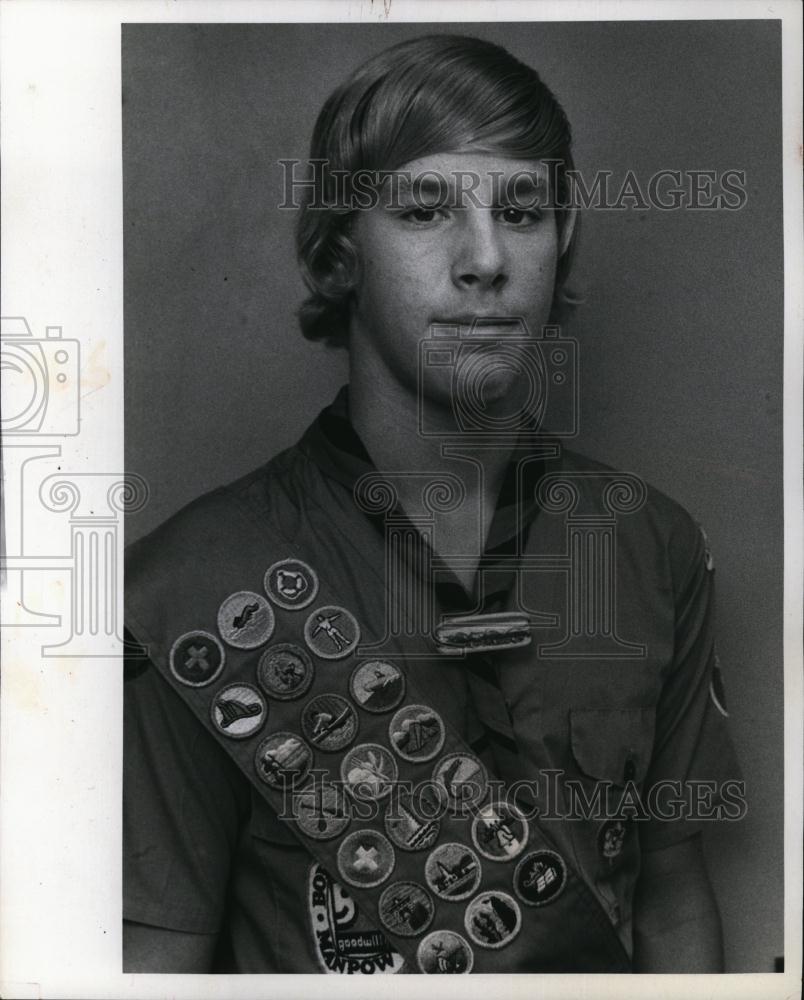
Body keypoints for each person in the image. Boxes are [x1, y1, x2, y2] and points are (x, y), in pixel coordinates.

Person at [123, 33, 741, 974]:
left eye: (524, 211)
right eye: (424, 209)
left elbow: (672, 904)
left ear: (561, 239)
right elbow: (151, 966)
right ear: (339, 254)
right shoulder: (190, 584)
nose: (487, 258)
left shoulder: (651, 546)